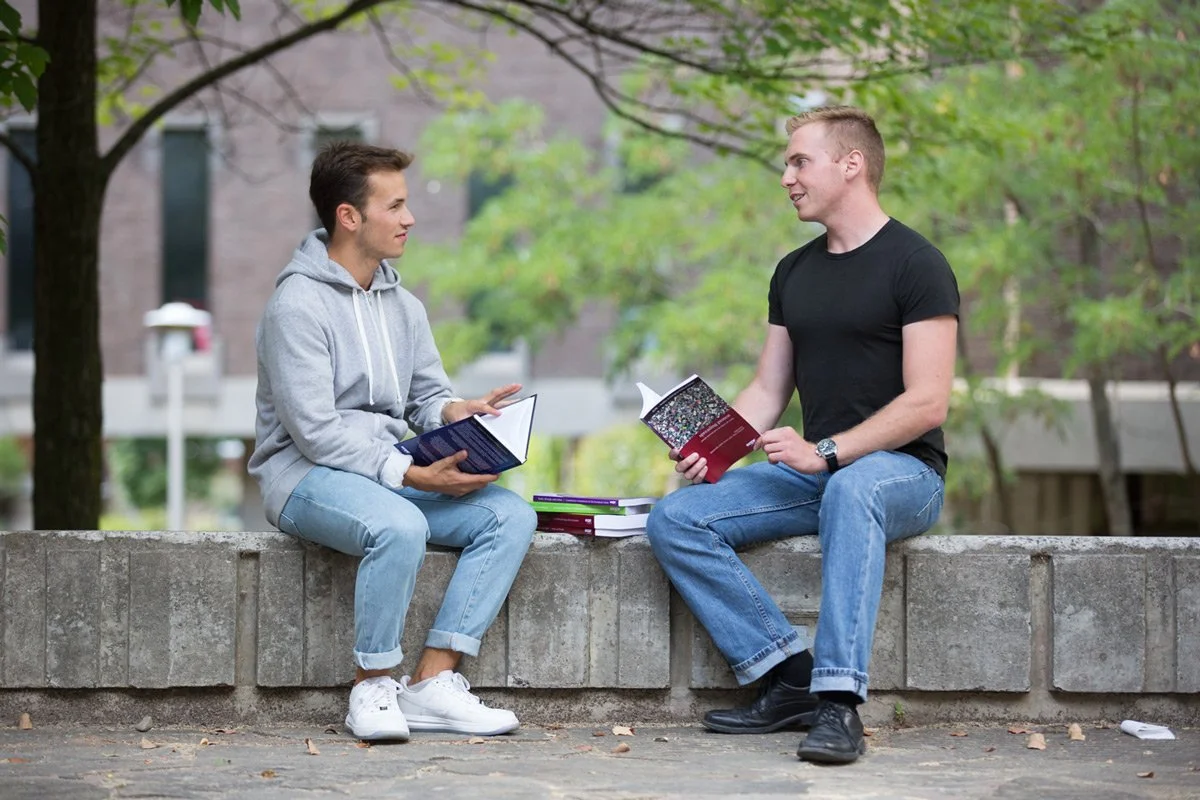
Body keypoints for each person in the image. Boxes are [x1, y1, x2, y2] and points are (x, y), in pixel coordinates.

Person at [645, 105, 959, 765]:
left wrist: (828, 453)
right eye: (786, 164)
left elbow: (929, 402)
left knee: (853, 489)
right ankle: (787, 676)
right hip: (818, 474)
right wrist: (711, 447)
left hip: (901, 474)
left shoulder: (917, 264)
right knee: (676, 518)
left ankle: (838, 702)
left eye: (799, 162)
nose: (787, 177)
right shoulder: (793, 272)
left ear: (852, 165)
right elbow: (768, 389)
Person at [249, 141, 537, 741]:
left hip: (385, 472)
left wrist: (458, 411)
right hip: (302, 477)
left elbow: (424, 400)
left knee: (509, 516)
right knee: (399, 526)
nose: (410, 218)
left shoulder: (403, 306)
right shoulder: (295, 306)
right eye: (395, 205)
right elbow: (315, 432)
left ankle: (433, 681)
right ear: (349, 216)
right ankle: (372, 684)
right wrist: (408, 474)